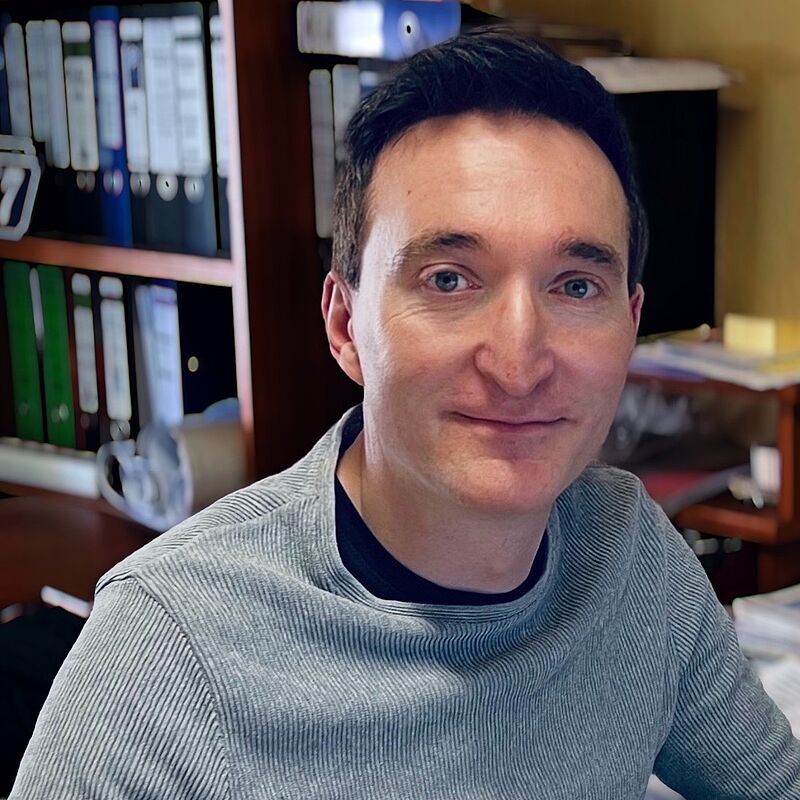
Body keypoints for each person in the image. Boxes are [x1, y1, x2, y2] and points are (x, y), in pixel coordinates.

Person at [11, 30, 800, 800]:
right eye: (449, 279)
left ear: (631, 324)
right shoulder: (170, 653)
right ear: (345, 325)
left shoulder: (631, 557)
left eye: (575, 286)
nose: (519, 363)